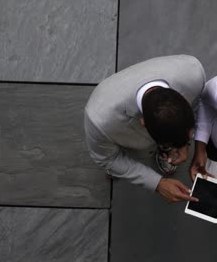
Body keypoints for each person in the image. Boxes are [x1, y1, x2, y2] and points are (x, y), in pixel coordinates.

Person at [84, 55, 205, 203]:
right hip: (115, 128)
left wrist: (184, 144)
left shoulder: (193, 73)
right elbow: (107, 158)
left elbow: (200, 104)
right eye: (168, 145)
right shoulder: (99, 120)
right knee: (119, 161)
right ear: (142, 123)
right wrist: (157, 183)